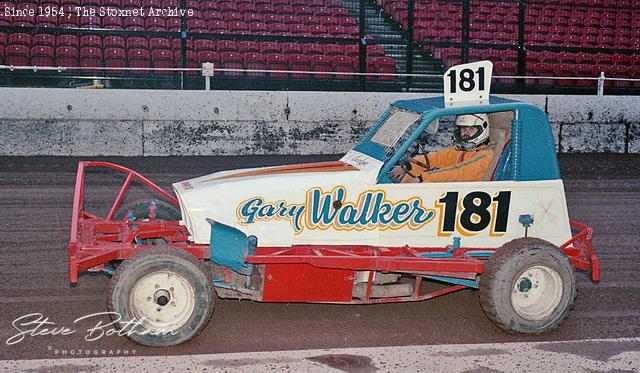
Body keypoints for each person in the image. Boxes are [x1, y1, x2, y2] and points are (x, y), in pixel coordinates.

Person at [391, 114, 494, 183]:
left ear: (482, 130)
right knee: (412, 172)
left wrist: (422, 179)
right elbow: (437, 158)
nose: (465, 133)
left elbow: (458, 172)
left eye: (471, 129)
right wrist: (407, 166)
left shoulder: (485, 155)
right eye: (463, 128)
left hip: (467, 196)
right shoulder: (462, 150)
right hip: (455, 192)